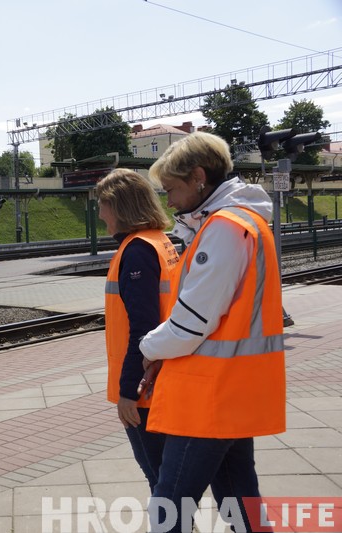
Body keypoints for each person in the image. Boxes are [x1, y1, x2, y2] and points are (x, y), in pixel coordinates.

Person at [139, 132, 286, 533]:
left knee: (170, 505)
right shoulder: (245, 221)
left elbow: (191, 323)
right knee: (239, 497)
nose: (168, 201)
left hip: (208, 395)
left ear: (199, 177)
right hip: (233, 389)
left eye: (171, 189)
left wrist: (147, 346)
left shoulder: (224, 228)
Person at [95, 169, 179, 494]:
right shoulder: (160, 241)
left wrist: (129, 391)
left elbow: (142, 329)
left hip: (147, 388)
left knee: (159, 478)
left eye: (102, 204)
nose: (100, 213)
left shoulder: (137, 252)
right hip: (164, 376)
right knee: (167, 477)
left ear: (119, 205)